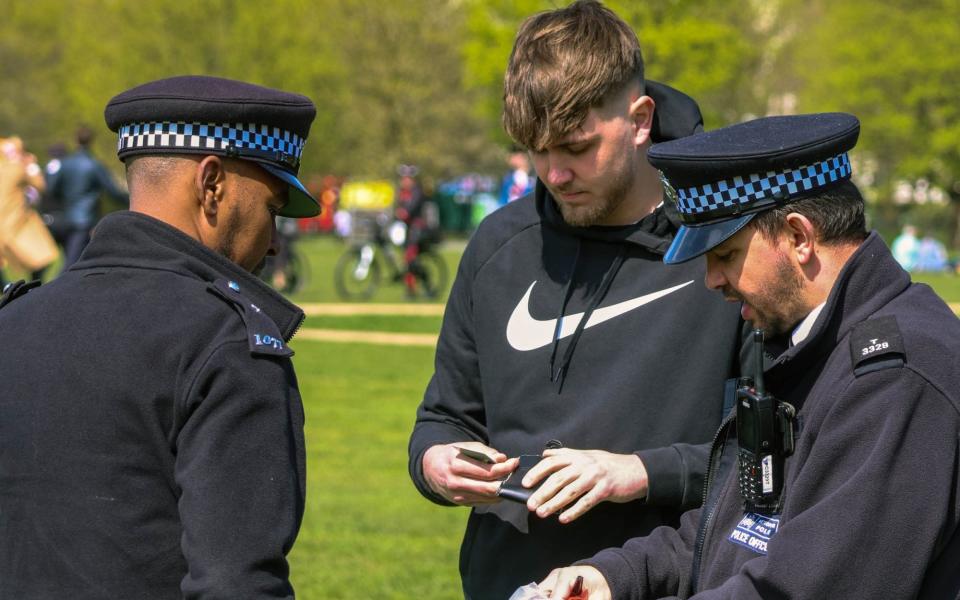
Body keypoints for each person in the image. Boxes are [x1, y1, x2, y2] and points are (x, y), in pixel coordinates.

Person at [538, 113, 960, 599]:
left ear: (799, 238)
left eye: (727, 254)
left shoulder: (894, 378)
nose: (712, 281)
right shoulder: (811, 344)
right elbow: (733, 530)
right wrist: (615, 576)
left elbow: (805, 589)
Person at [407, 2, 746, 597]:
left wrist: (638, 473)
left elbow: (775, 456)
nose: (554, 174)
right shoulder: (498, 247)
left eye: (576, 147)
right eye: (537, 151)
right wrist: (437, 464)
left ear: (640, 120)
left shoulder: (724, 252)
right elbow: (444, 417)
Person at [0, 75, 321, 598]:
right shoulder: (227, 347)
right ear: (212, 184)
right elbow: (235, 585)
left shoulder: (14, 321)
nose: (274, 246)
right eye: (272, 208)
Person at [50, 124, 129, 271]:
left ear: (76, 141)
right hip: (85, 222)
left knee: (73, 263)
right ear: (91, 141)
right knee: (71, 266)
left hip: (67, 219)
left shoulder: (65, 164)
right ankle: (49, 293)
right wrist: (133, 200)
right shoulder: (94, 165)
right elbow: (113, 191)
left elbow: (53, 189)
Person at [0, 136, 58, 287]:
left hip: (7, 223)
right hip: (16, 222)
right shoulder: (17, 168)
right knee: (42, 259)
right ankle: (30, 288)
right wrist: (30, 165)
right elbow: (40, 185)